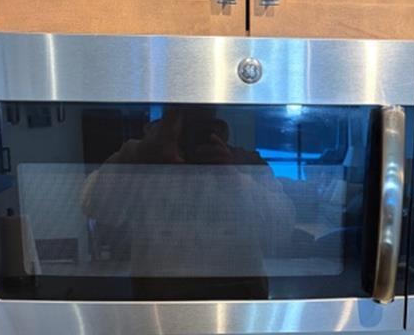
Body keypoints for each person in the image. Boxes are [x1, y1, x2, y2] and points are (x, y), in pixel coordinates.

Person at [81, 107, 296, 298]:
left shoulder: (244, 163)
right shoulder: (143, 161)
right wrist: (144, 152)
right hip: (159, 306)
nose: (189, 140)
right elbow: (94, 205)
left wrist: (232, 177)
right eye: (182, 129)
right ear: (161, 126)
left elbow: (282, 226)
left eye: (201, 130)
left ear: (219, 129)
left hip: (238, 303)